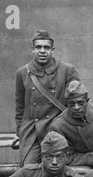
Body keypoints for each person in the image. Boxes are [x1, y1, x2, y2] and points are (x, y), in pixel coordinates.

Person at [14, 30, 80, 167]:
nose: (42, 51)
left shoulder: (67, 70)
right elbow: (20, 107)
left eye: (46, 47)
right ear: (32, 49)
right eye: (38, 47)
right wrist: (19, 133)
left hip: (58, 130)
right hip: (32, 132)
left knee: (59, 168)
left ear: (53, 50)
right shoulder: (22, 73)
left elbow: (78, 102)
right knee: (28, 169)